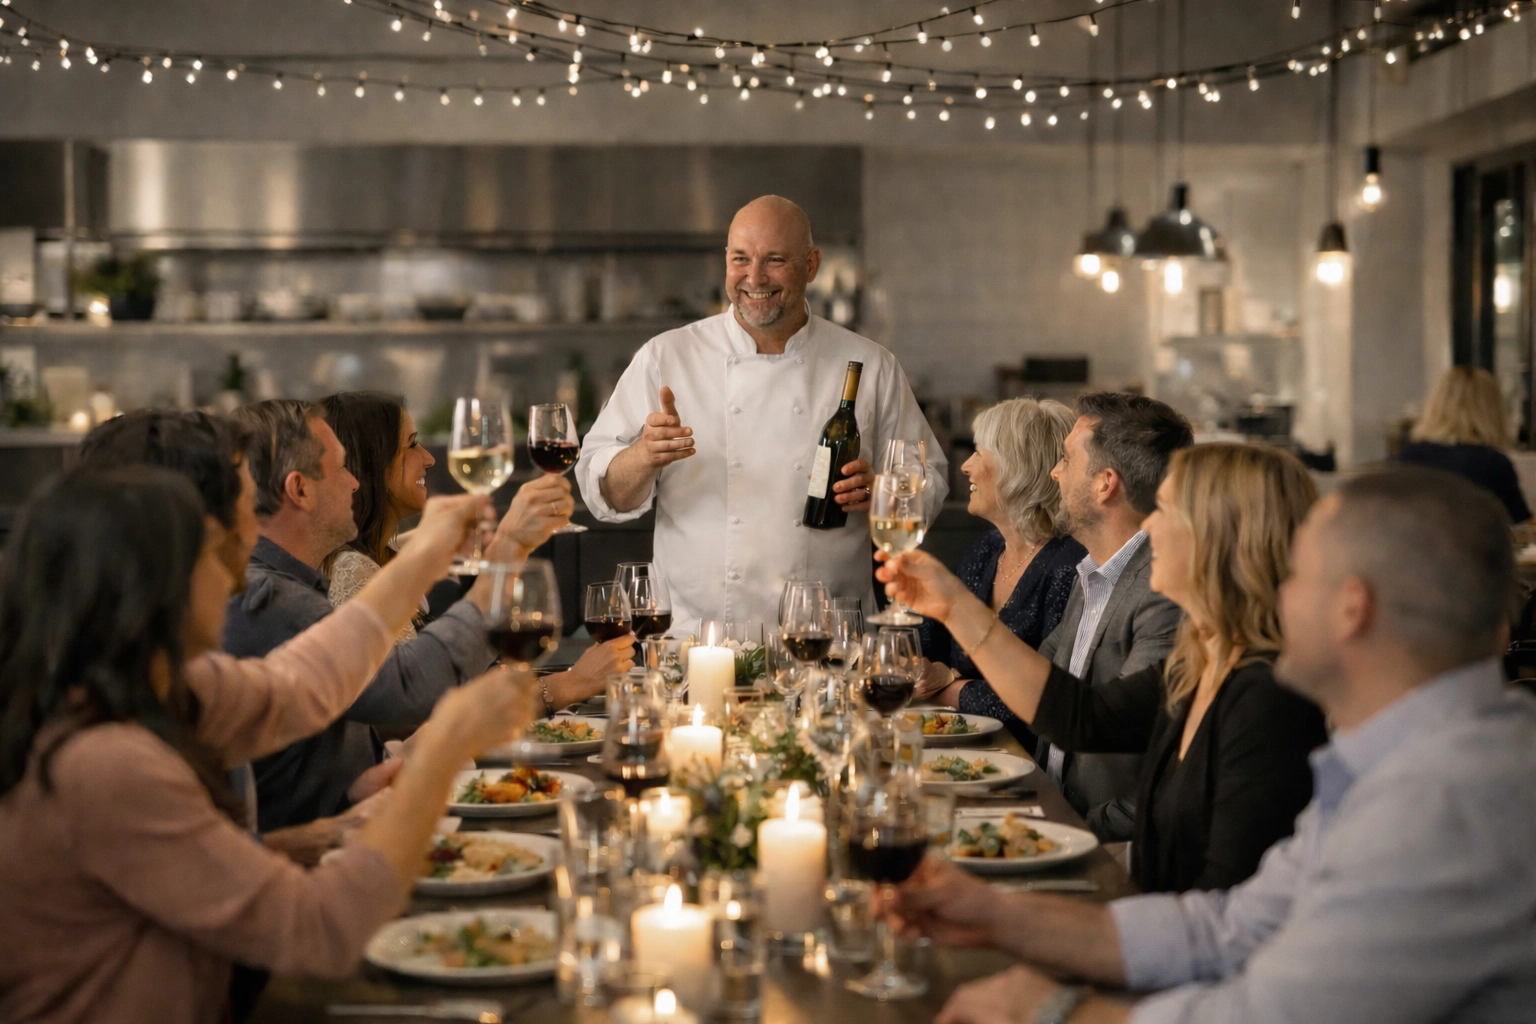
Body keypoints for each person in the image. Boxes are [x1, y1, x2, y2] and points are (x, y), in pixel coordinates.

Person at [888, 467, 1536, 1024]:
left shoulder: (1448, 806)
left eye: (1297, 575)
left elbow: (1264, 1016)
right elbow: (1227, 927)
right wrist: (994, 914)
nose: (1277, 593)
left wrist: (1053, 1011)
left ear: (1351, 608)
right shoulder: (1397, 761)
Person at [0, 465, 537, 1024]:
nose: (235, 578)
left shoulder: (151, 689)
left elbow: (305, 682)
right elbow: (320, 930)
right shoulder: (102, 763)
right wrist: (443, 751)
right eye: (213, 555)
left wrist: (432, 554)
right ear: (152, 588)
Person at [882, 442, 1327, 893]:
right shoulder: (1198, 663)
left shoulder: (1268, 701)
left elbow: (1219, 911)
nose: (1148, 525)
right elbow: (1081, 716)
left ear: (1222, 538)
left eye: (1165, 511)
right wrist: (954, 606)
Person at [575, 195, 947, 632]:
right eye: (740, 259)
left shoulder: (870, 364)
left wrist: (882, 493)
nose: (754, 277)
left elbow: (930, 481)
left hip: (825, 641)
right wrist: (642, 455)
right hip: (699, 643)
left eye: (774, 260)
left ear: (811, 265)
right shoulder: (667, 357)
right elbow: (602, 492)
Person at [224, 399, 566, 832]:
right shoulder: (267, 597)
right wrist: (507, 550)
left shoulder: (289, 585)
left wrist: (358, 787)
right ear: (300, 490)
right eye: (341, 468)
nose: (354, 483)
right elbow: (405, 684)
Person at [78, 410, 397, 868]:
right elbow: (245, 904)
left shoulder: (165, 671)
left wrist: (335, 823)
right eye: (240, 507)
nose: (251, 536)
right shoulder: (103, 747)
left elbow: (303, 687)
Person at [948, 392, 1189, 838]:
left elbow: (1152, 780)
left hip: (1104, 847)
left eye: (1065, 459)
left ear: (1105, 484)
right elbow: (1038, 688)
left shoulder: (1160, 591)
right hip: (1047, 807)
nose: (1054, 473)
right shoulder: (1092, 572)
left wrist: (1054, 829)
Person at [320, 391, 632, 687]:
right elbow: (422, 697)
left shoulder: (385, 553)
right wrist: (566, 686)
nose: (428, 459)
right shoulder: (353, 571)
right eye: (412, 445)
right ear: (374, 463)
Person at [916, 398, 1085, 752]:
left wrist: (949, 689)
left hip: (1025, 766)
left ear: (1016, 468)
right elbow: (937, 641)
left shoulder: (1070, 566)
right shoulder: (988, 549)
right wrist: (906, 658)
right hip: (964, 750)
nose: (966, 466)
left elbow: (1037, 700)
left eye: (979, 453)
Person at [1395, 365, 1531, 522]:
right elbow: (1519, 522)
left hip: (1411, 545)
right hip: (1472, 546)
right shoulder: (1493, 464)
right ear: (1492, 411)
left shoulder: (1407, 457)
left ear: (1435, 406)